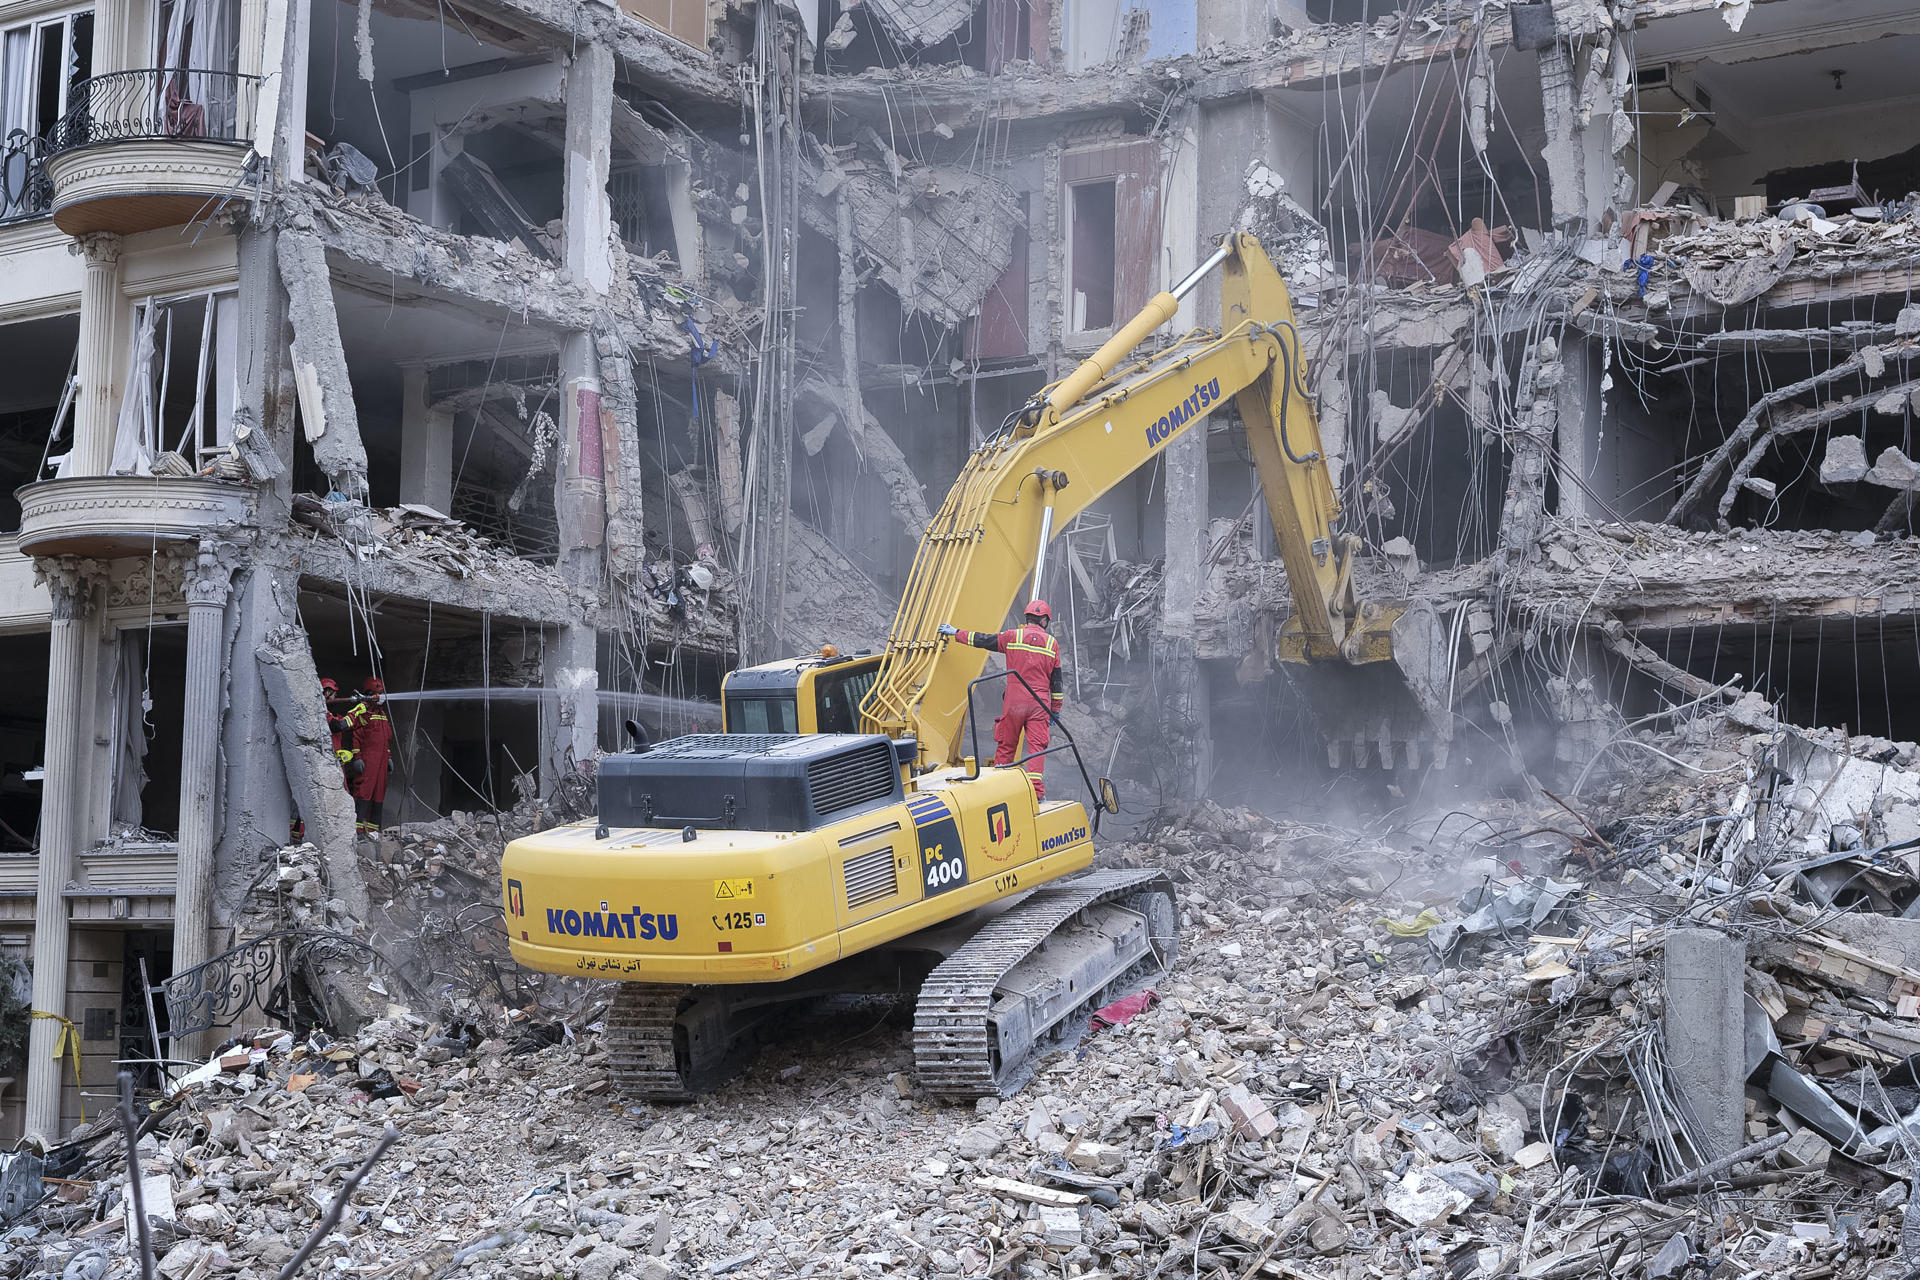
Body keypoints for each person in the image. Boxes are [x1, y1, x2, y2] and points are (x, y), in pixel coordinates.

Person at [939, 600, 1064, 800]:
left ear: (1027, 617)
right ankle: (1036, 794)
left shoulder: (1012, 636)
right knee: (1037, 748)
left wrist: (956, 633)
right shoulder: (1052, 644)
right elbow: (1057, 683)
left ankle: (998, 791)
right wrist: (1055, 710)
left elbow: (983, 640)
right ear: (1044, 620)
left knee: (1006, 745)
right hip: (1040, 703)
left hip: (1014, 700)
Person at [344, 676, 393, 834]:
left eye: (382, 692)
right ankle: (357, 832)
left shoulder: (382, 713)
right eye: (378, 692)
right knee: (364, 792)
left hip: (382, 760)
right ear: (369, 693)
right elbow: (356, 735)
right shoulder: (363, 711)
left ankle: (373, 832)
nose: (381, 696)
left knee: (379, 793)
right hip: (368, 759)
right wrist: (357, 758)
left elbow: (386, 737)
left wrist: (389, 756)